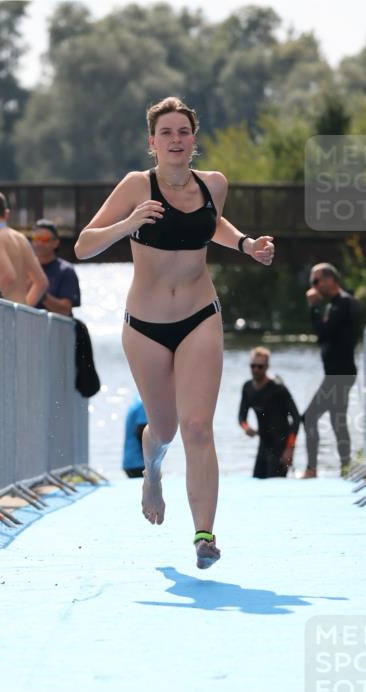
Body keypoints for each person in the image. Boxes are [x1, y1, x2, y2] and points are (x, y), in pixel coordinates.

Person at [74, 96, 274, 569]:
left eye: (183, 132)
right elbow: (83, 246)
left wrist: (245, 243)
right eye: (166, 133)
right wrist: (128, 223)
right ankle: (152, 467)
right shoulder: (135, 186)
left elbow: (211, 224)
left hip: (200, 315)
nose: (176, 140)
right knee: (162, 428)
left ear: (194, 140)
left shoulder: (215, 185)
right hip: (144, 327)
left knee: (197, 426)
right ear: (152, 142)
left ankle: (204, 535)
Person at [302, 263, 361, 478]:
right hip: (337, 373)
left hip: (340, 374)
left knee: (309, 418)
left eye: (316, 281)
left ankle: (312, 469)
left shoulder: (344, 303)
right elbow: (323, 337)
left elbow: (324, 332)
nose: (314, 287)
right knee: (338, 421)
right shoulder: (334, 305)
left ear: (330, 280)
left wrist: (313, 307)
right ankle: (346, 468)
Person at [0, 190, 48, 307]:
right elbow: (41, 282)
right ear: (6, 214)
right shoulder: (21, 238)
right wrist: (26, 307)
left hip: (2, 314)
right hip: (21, 313)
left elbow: (8, 276)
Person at [239, 347, 299, 478]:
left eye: (260, 367)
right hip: (264, 444)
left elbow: (296, 418)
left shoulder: (278, 388)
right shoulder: (247, 387)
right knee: (256, 482)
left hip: (282, 446)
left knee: (275, 486)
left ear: (267, 367)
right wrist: (246, 428)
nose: (255, 369)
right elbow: (241, 417)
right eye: (253, 366)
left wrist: (290, 449)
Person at [31, 219, 81, 316]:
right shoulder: (26, 268)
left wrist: (39, 292)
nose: (40, 243)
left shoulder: (66, 270)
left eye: (45, 240)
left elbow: (65, 310)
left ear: (56, 243)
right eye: (36, 239)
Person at [122, 396, 148, 478]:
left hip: (130, 460)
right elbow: (141, 432)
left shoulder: (138, 399)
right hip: (138, 462)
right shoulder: (145, 402)